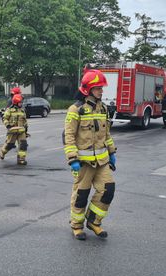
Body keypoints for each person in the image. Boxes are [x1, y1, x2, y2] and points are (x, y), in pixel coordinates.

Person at [63, 69, 117, 240]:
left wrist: (112, 152)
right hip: (83, 163)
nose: (101, 91)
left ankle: (94, 222)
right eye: (98, 88)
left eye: (102, 88)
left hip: (102, 161)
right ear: (88, 89)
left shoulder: (104, 109)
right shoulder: (76, 109)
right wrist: (72, 159)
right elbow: (68, 136)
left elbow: (107, 134)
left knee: (108, 190)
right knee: (81, 195)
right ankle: (76, 225)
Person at [0, 93, 28, 165]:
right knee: (9, 145)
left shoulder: (22, 111)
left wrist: (26, 131)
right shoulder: (9, 110)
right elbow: (4, 118)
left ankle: (21, 159)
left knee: (23, 145)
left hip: (21, 131)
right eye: (20, 102)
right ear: (16, 102)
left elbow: (25, 121)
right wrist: (8, 125)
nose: (21, 104)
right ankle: (2, 152)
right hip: (12, 131)